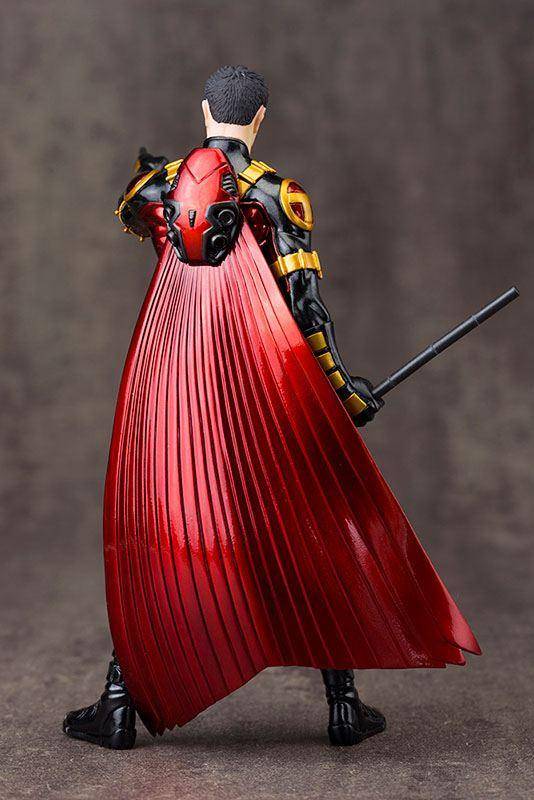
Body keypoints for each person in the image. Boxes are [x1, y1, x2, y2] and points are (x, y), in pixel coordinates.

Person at [63, 65, 480, 750]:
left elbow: (143, 215)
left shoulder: (156, 187)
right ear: (260, 119)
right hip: (265, 385)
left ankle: (117, 702)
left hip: (171, 380)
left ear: (204, 109)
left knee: (165, 529)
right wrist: (342, 390)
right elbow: (306, 308)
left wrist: (167, 186)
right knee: (315, 523)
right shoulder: (278, 197)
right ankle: (342, 705)